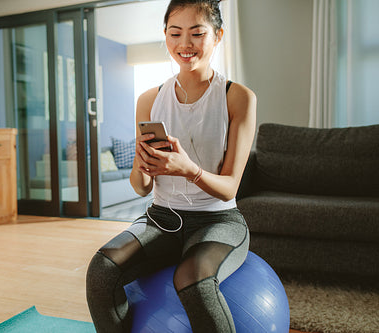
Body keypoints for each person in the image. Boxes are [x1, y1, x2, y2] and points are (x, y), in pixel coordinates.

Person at [86, 0, 256, 332]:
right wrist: (145, 167)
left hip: (218, 220)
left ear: (218, 36)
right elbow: (140, 187)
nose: (184, 44)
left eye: (197, 33)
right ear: (165, 35)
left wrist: (188, 169)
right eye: (175, 33)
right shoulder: (149, 99)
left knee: (192, 280)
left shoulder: (238, 98)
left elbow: (229, 188)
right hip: (161, 218)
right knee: (101, 271)